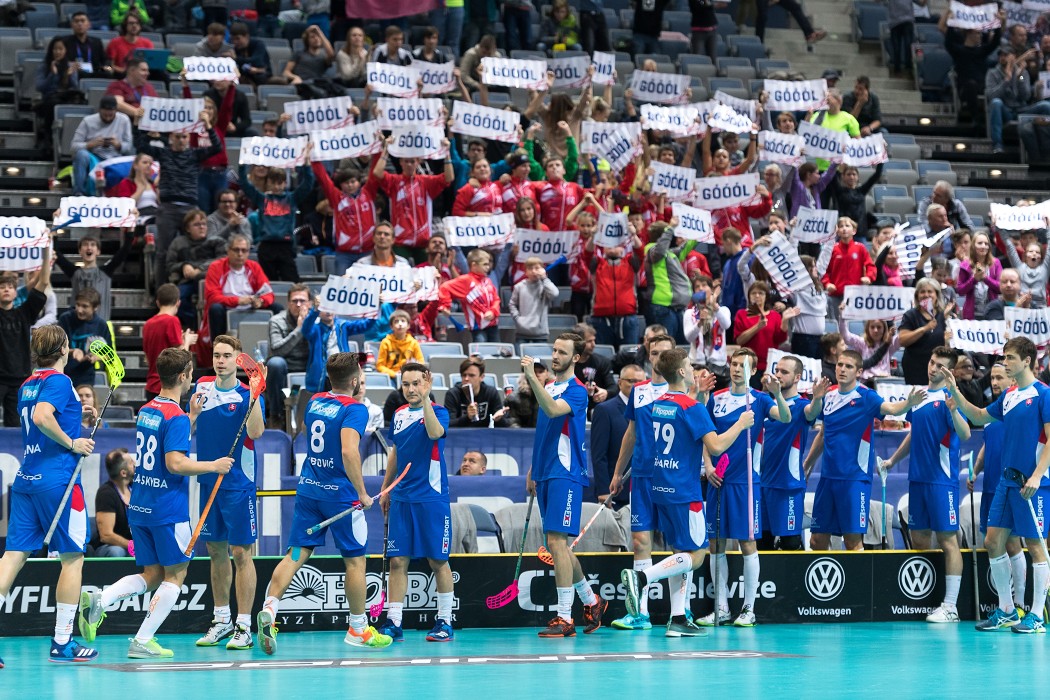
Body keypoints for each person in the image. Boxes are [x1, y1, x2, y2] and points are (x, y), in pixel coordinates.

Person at [77, 347, 234, 659]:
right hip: (167, 509)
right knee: (176, 574)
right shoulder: (174, 417)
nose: (192, 379)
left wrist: (191, 417)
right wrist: (214, 465)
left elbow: (163, 444)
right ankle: (142, 639)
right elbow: (175, 463)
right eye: (190, 373)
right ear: (182, 376)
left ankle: (102, 599)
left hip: (141, 505)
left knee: (153, 575)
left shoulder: (149, 409)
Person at [257, 353, 393, 654]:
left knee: (296, 553)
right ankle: (358, 629)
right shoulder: (356, 409)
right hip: (340, 495)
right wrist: (362, 492)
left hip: (308, 489)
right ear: (355, 381)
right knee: (355, 560)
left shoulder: (315, 401)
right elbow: (348, 451)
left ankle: (270, 609)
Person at [619, 348, 754, 636]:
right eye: (690, 365)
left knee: (679, 552)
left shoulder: (660, 404)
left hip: (660, 487)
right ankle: (643, 577)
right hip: (684, 491)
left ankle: (678, 619)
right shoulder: (690, 407)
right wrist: (741, 424)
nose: (693, 368)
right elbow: (716, 446)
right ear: (681, 372)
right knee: (698, 553)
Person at [0, 324, 98, 665]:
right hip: (58, 483)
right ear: (64, 350)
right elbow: (44, 417)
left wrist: (75, 416)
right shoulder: (59, 381)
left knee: (12, 557)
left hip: (26, 477)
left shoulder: (29, 384)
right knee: (72, 558)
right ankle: (62, 642)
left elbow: (42, 414)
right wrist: (73, 442)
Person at [943, 337, 1050, 633]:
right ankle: (1007, 610)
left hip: (1034, 483)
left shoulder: (1043, 395)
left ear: (1027, 361)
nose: (1004, 362)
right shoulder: (1010, 395)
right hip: (1007, 480)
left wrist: (1038, 475)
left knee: (1035, 546)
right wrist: (953, 389)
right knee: (992, 542)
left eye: (1010, 358)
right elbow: (978, 415)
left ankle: (1037, 615)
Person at [522, 333, 606, 636]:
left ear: (576, 358)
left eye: (562, 352)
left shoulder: (577, 391)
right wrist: (533, 468)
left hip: (565, 472)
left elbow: (553, 410)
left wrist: (531, 378)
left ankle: (564, 618)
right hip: (545, 472)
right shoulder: (550, 386)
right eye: (554, 350)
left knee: (557, 542)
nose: (555, 355)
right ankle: (591, 600)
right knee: (560, 545)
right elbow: (544, 430)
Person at [881, 347, 972, 622]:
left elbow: (965, 434)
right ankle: (926, 595)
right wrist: (891, 460)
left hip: (941, 481)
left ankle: (951, 605)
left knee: (948, 540)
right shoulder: (919, 397)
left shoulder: (950, 399)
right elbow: (914, 434)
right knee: (919, 539)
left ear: (950, 372)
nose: (932, 368)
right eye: (932, 362)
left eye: (940, 365)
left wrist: (955, 411)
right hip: (917, 480)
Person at [700, 348, 789, 626]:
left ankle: (748, 609)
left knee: (747, 543)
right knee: (716, 544)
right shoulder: (715, 399)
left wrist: (778, 393)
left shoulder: (759, 400)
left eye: (743, 365)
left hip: (746, 483)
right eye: (734, 364)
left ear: (752, 369)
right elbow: (704, 435)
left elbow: (785, 418)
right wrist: (708, 467)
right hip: (717, 480)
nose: (737, 369)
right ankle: (722, 607)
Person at [188, 335, 265, 650]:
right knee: (216, 551)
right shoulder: (201, 388)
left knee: (241, 553)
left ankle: (244, 626)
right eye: (216, 355)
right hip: (208, 480)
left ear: (238, 359)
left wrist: (257, 394)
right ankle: (220, 620)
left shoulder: (248, 393)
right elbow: (189, 428)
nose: (220, 360)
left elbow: (257, 432)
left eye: (226, 355)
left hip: (238, 484)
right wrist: (191, 414)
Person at [805, 350, 924, 551]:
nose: (842, 369)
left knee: (852, 542)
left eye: (849, 366)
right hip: (827, 479)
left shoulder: (867, 397)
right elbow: (822, 434)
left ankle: (856, 582)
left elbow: (892, 409)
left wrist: (909, 403)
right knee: (816, 541)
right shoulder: (828, 396)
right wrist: (807, 465)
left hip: (854, 480)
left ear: (858, 371)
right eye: (840, 365)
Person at [376, 363, 456, 642]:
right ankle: (394, 622)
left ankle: (445, 621)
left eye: (417, 383)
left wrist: (427, 399)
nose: (411, 389)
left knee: (438, 560)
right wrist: (386, 489)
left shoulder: (439, 412)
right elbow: (395, 452)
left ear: (426, 384)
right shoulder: (398, 415)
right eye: (406, 384)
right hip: (402, 498)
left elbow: (435, 433)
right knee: (397, 561)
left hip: (431, 498)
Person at [606, 334, 676, 629]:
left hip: (673, 478)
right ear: (649, 356)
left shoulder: (683, 393)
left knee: (677, 545)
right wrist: (617, 473)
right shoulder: (640, 392)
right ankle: (640, 613)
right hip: (642, 478)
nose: (659, 358)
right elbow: (631, 434)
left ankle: (679, 613)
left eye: (665, 353)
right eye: (655, 352)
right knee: (640, 542)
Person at [134, 108, 222, 291]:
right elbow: (141, 145)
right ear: (171, 138)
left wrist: (207, 125)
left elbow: (217, 147)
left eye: (184, 137)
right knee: (162, 252)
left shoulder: (195, 154)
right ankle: (160, 292)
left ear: (189, 138)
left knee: (194, 250)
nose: (181, 140)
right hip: (168, 208)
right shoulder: (164, 153)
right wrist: (140, 124)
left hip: (190, 209)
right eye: (177, 136)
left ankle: (183, 287)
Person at [970, 363, 1028, 613]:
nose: (994, 382)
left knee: (1013, 544)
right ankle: (1006, 607)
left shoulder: (1015, 410)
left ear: (1011, 379)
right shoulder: (993, 411)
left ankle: (1021, 602)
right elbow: (987, 445)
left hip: (1010, 486)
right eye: (991, 378)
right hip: (990, 486)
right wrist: (976, 469)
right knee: (991, 542)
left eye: (999, 377)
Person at [758, 356, 828, 553]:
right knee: (762, 544)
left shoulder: (800, 405)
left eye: (784, 372)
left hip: (788, 486)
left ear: (797, 377)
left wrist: (817, 397)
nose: (778, 375)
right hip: (763, 485)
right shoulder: (769, 406)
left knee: (790, 543)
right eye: (777, 370)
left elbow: (811, 412)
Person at [372, 132, 455, 252]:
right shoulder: (394, 181)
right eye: (406, 161)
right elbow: (377, 173)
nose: (409, 165)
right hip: (400, 241)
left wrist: (446, 153)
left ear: (418, 162)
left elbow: (449, 178)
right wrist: (386, 149)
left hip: (423, 241)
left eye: (412, 161)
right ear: (400, 162)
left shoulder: (426, 182)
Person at [200, 233, 278, 359]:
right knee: (215, 309)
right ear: (228, 250)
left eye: (244, 250)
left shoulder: (254, 267)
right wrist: (237, 301)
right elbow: (212, 296)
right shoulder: (216, 267)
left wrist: (261, 302)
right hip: (226, 307)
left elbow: (269, 293)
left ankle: (275, 350)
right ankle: (218, 352)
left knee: (277, 308)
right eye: (236, 250)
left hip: (250, 305)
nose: (240, 254)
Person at [238, 162, 315, 283]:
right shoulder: (261, 198)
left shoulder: (292, 199)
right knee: (267, 284)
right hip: (267, 246)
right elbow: (245, 184)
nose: (276, 186)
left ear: (285, 183)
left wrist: (306, 166)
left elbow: (308, 184)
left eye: (279, 183)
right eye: (273, 182)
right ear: (267, 182)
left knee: (292, 281)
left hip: (286, 245)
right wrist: (242, 165)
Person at [591, 365, 645, 510]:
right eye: (632, 381)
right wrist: (603, 490)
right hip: (616, 491)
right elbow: (598, 455)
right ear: (620, 382)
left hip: (644, 489)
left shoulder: (650, 409)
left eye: (641, 382)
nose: (637, 385)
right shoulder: (605, 410)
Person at [313, 160, 381, 271]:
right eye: (346, 183)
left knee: (369, 287)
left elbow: (374, 172)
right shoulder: (336, 197)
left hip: (368, 252)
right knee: (342, 285)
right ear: (341, 185)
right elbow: (323, 179)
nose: (350, 185)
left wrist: (379, 151)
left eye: (353, 181)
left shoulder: (369, 193)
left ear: (359, 182)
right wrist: (314, 159)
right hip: (344, 254)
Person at [167, 209, 227, 327]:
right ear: (188, 228)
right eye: (196, 224)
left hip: (213, 280)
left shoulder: (216, 241)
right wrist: (183, 265)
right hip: (187, 281)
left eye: (203, 224)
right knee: (178, 299)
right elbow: (169, 265)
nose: (201, 227)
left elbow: (223, 260)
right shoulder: (178, 243)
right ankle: (194, 325)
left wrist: (200, 269)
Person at [987, 47, 1050, 153]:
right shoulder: (992, 73)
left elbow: (1025, 96)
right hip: (1005, 111)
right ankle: (997, 144)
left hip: (1022, 110)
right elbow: (992, 96)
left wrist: (1019, 77)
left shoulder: (1022, 73)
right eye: (1001, 55)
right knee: (996, 103)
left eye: (1006, 55)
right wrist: (1006, 80)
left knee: (1046, 106)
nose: (1003, 57)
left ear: (1014, 56)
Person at [70, 96, 134, 196]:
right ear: (100, 110)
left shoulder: (124, 120)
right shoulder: (87, 121)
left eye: (111, 115)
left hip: (115, 158)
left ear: (116, 111)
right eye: (105, 115)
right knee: (81, 154)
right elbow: (74, 146)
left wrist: (119, 145)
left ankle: (122, 194)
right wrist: (90, 144)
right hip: (94, 156)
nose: (108, 117)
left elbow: (129, 147)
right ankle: (79, 192)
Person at [143, 283, 197, 402]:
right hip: (167, 387)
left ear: (157, 302)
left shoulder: (148, 324)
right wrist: (187, 340)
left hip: (151, 385)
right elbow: (181, 358)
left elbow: (148, 357)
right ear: (178, 302)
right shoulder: (172, 321)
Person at [437, 249, 501, 342]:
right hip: (477, 328)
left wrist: (493, 311)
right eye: (485, 264)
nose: (488, 267)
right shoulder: (466, 281)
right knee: (480, 354)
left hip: (493, 325)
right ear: (474, 265)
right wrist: (446, 305)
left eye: (488, 264)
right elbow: (444, 287)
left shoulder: (488, 281)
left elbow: (496, 299)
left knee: (496, 353)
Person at [56, 288, 114, 388]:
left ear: (95, 307)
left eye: (85, 306)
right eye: (77, 305)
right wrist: (72, 351)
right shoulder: (65, 319)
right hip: (63, 373)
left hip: (86, 377)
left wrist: (97, 357)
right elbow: (55, 348)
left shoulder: (101, 325)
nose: (79, 310)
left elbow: (110, 354)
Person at [898, 278, 952, 385]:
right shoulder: (910, 315)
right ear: (917, 296)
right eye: (922, 292)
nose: (926, 295)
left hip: (937, 367)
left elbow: (947, 346)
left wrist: (947, 340)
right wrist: (925, 328)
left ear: (936, 295)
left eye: (930, 291)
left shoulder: (943, 316)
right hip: (915, 367)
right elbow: (902, 340)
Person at [822, 216, 876, 318]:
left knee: (855, 323)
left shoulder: (860, 248)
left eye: (847, 226)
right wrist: (827, 283)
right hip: (836, 294)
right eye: (841, 226)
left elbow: (871, 266)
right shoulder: (832, 249)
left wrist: (869, 277)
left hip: (855, 295)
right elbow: (823, 270)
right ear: (837, 231)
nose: (844, 228)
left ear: (854, 231)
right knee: (837, 325)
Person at [89, 448, 135, 557]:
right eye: (131, 463)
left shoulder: (136, 489)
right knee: (116, 552)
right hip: (109, 546)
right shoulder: (106, 493)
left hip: (132, 544)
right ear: (123, 473)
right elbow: (106, 535)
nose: (135, 464)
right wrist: (133, 545)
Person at [444, 357, 509, 426]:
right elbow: (448, 424)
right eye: (464, 375)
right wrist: (467, 417)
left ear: (481, 377)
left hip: (483, 434)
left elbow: (504, 424)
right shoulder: (453, 394)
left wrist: (499, 419)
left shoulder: (490, 393)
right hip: (460, 435)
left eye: (471, 375)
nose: (466, 379)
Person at [510, 257, 559, 348]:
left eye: (537, 268)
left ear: (542, 269)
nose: (533, 271)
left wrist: (544, 278)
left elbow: (555, 293)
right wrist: (518, 319)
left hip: (540, 333)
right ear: (526, 271)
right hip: (522, 332)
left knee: (540, 361)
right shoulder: (519, 287)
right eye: (530, 268)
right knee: (522, 361)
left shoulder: (545, 286)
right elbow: (512, 304)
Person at [62, 12, 113, 77]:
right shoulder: (65, 42)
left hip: (94, 73)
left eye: (82, 21)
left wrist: (108, 68)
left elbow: (105, 61)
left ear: (89, 25)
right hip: (74, 73)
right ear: (72, 25)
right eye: (76, 21)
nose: (80, 24)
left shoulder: (96, 42)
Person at [376, 310, 424, 378]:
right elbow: (380, 366)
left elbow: (421, 363)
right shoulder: (386, 342)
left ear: (408, 325)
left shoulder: (413, 343)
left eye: (403, 321)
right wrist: (394, 374)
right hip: (391, 377)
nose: (400, 324)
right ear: (391, 326)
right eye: (396, 321)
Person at [230, 21, 274, 86]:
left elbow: (256, 61)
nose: (235, 42)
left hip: (262, 74)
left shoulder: (258, 44)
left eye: (238, 39)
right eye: (233, 39)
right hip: (244, 76)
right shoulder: (236, 49)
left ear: (246, 36)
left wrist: (236, 59)